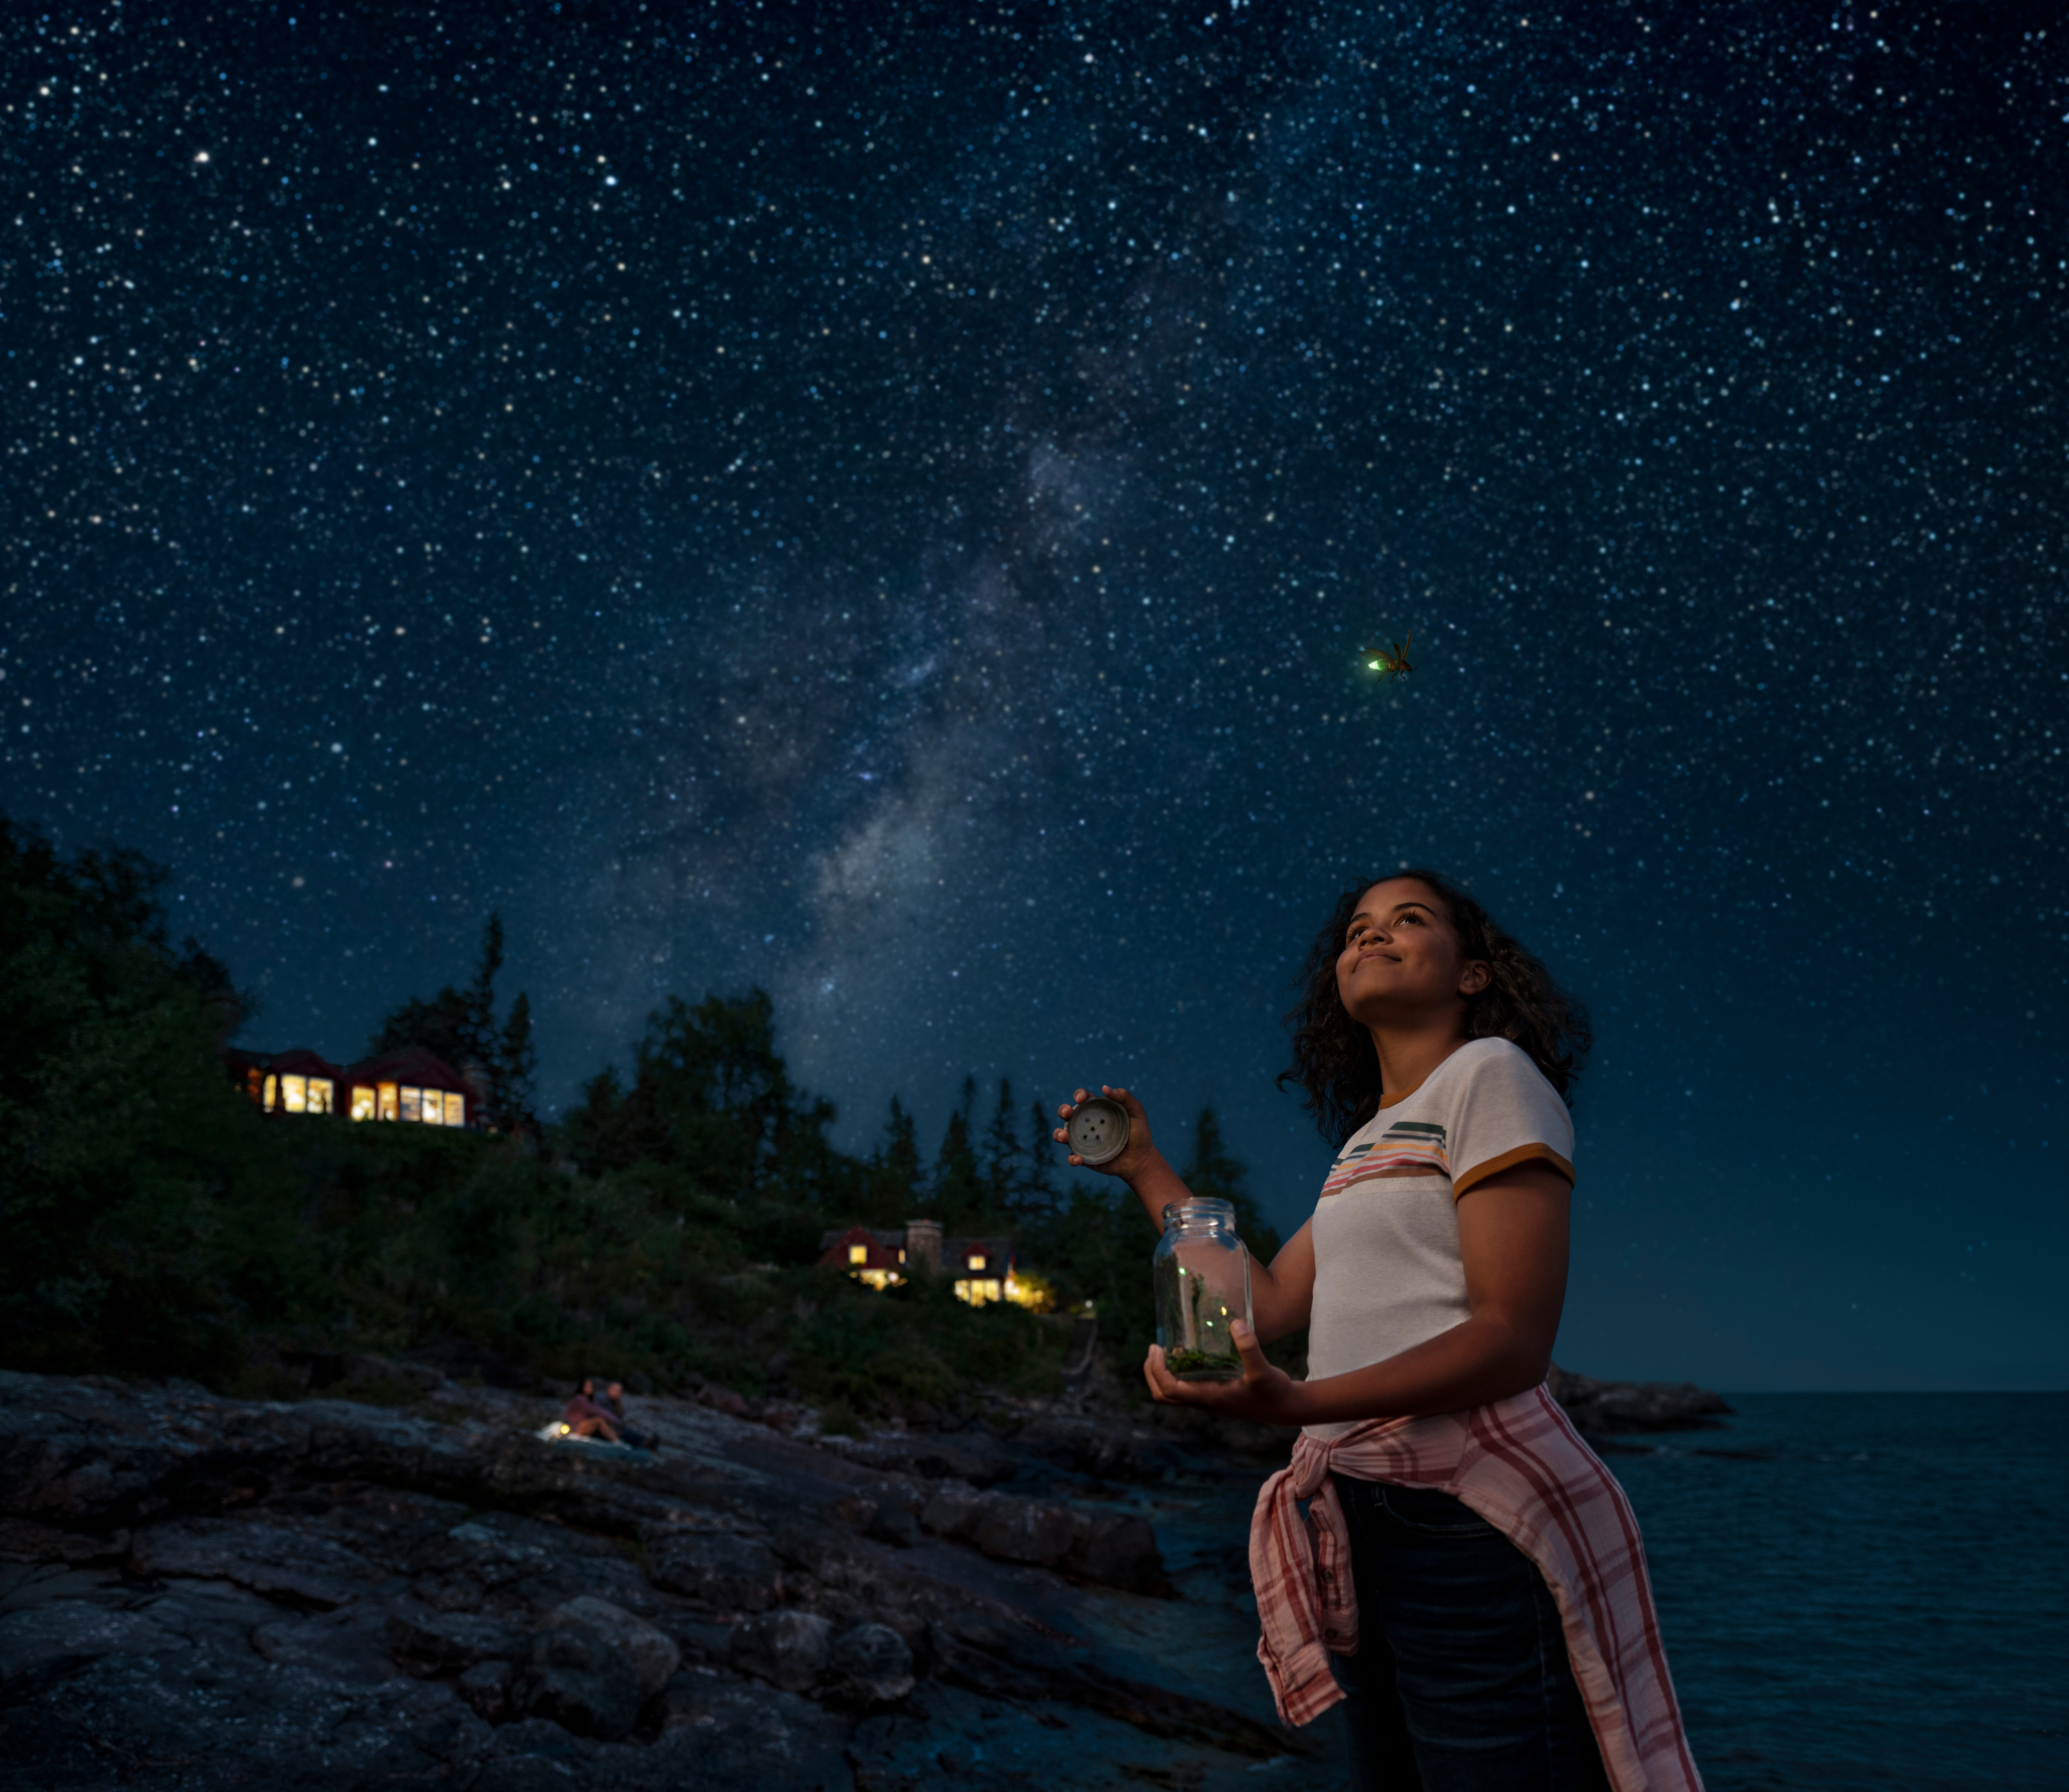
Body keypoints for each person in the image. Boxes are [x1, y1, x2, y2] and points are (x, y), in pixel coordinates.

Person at [1057, 870, 1701, 1792]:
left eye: (1409, 919)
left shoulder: (1493, 1077)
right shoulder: (1367, 1144)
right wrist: (1146, 1168)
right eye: (1357, 928)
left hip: (1468, 1522)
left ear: (1473, 973)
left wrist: (1301, 1402)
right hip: (1359, 1513)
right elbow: (1266, 1301)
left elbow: (1513, 1338)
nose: (1371, 936)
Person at [594, 1379, 654, 1450]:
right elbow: (601, 1415)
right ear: (609, 1389)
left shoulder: (614, 1401)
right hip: (602, 1427)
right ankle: (642, 1444)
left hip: (611, 1425)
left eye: (620, 1391)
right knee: (624, 1434)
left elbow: (620, 1416)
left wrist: (618, 1403)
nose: (618, 1393)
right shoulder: (601, 1398)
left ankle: (645, 1441)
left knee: (629, 1431)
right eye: (616, 1390)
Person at [561, 1376, 619, 1443]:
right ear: (582, 1387)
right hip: (574, 1426)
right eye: (587, 1386)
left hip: (582, 1424)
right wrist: (614, 1419)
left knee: (604, 1422)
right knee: (599, 1420)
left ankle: (615, 1438)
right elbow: (594, 1411)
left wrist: (614, 1419)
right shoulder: (579, 1399)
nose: (590, 1388)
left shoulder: (590, 1400)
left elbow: (601, 1410)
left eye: (591, 1386)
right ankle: (616, 1441)